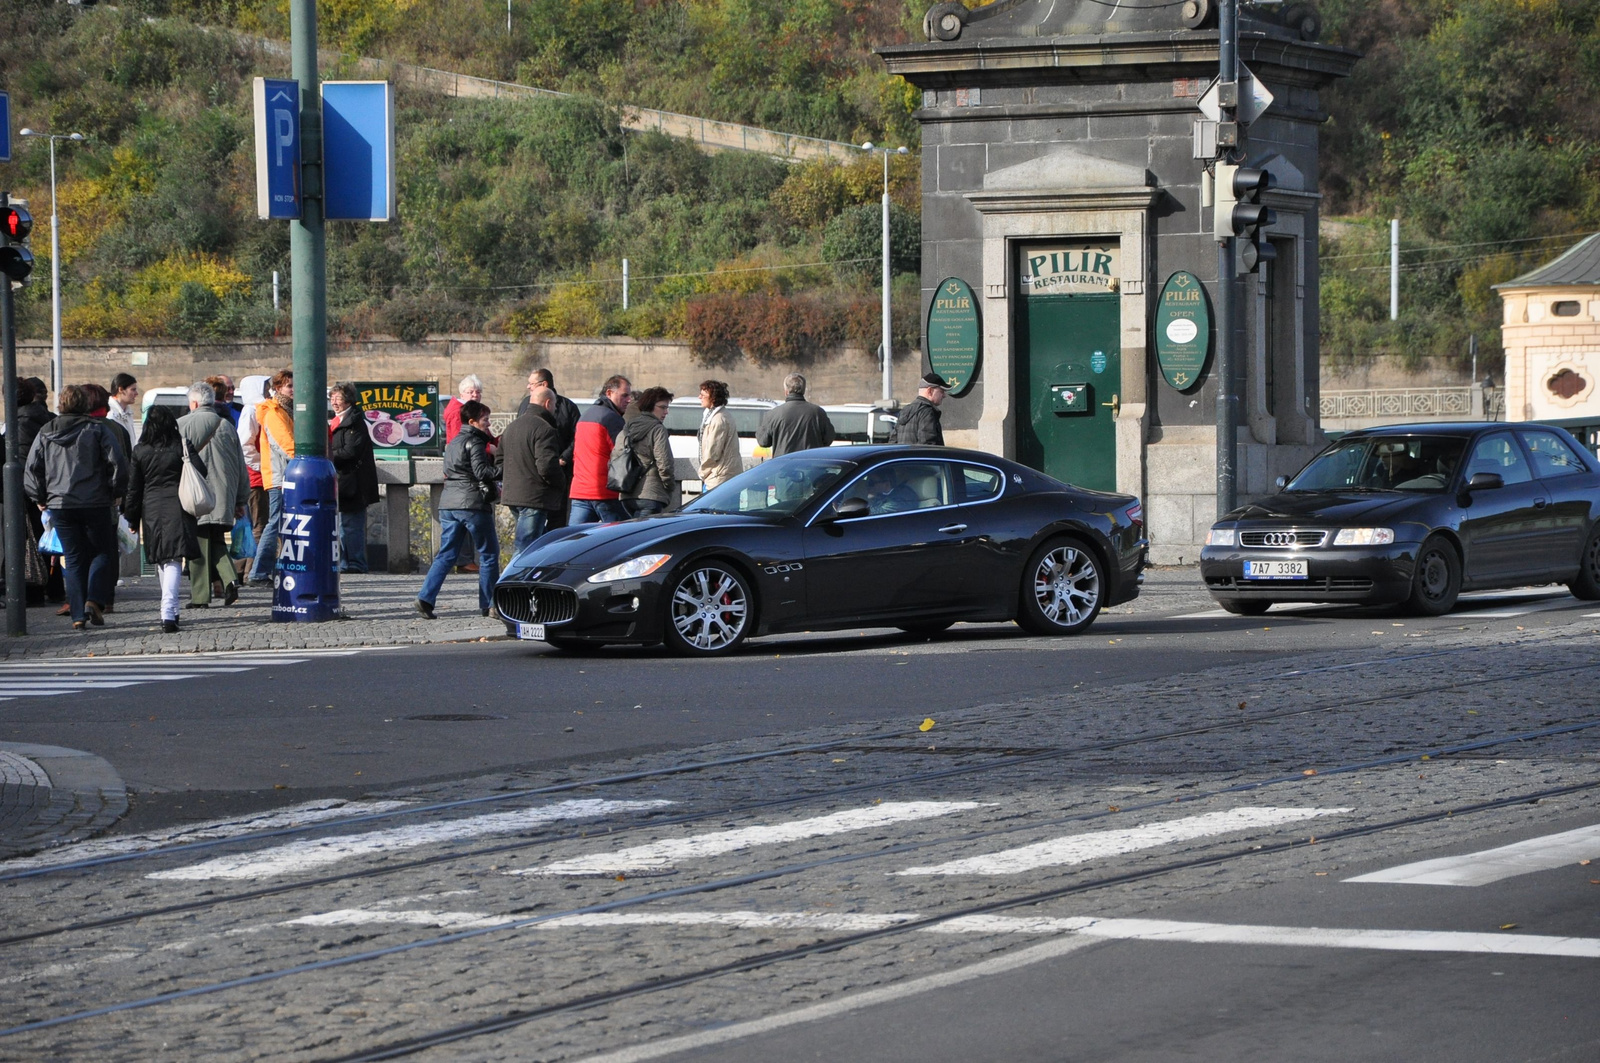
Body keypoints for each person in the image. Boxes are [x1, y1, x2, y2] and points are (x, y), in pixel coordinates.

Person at [23, 384, 128, 629]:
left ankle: (78, 615)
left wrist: (40, 497)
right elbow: (117, 464)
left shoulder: (46, 431)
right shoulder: (96, 429)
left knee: (73, 557)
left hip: (60, 503)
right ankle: (94, 599)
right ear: (85, 405)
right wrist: (115, 492)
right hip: (95, 501)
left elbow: (32, 468)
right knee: (102, 552)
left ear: (61, 405)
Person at [416, 400, 500, 618]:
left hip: (448, 503)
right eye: (485, 420)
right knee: (489, 554)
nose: (488, 424)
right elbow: (482, 472)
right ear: (472, 422)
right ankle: (490, 604)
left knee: (446, 554)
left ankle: (425, 598)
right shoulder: (476, 442)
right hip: (472, 504)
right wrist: (502, 468)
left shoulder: (453, 443)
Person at [125, 405, 202, 633]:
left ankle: (170, 610)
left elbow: (133, 488)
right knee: (174, 558)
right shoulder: (182, 446)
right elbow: (201, 470)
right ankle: (169, 611)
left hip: (151, 508)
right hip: (178, 505)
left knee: (163, 557)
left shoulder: (140, 450)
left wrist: (131, 518)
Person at [178, 380, 248, 607]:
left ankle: (200, 597)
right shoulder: (227, 426)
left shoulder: (182, 424)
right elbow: (240, 464)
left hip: (195, 495)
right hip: (223, 495)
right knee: (216, 539)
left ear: (195, 402)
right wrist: (240, 499)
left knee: (198, 544)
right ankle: (230, 579)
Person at [498, 384, 565, 554]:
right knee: (525, 548)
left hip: (513, 494)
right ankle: (510, 580)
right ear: (548, 403)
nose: (555, 409)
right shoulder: (544, 429)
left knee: (536, 545)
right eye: (555, 404)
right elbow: (547, 466)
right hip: (534, 496)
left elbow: (499, 460)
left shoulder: (512, 427)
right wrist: (561, 483)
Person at [516, 367, 580, 527]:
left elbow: (577, 437)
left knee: (557, 521)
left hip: (560, 472)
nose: (528, 387)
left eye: (531, 383)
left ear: (544, 384)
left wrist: (564, 458)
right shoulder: (526, 405)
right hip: (533, 473)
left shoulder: (568, 407)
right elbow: (521, 434)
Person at [249, 369, 296, 586]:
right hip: (279, 477)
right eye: (289, 386)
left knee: (277, 522)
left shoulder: (285, 410)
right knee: (274, 522)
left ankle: (268, 569)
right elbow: (285, 445)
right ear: (277, 388)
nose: (293, 390)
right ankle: (258, 572)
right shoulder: (275, 412)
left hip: (283, 475)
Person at [328, 382, 380, 573]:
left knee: (351, 526)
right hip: (342, 481)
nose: (334, 402)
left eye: (338, 398)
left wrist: (328, 454)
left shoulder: (355, 421)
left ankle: (355, 564)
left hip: (354, 482)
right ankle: (346, 563)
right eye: (332, 398)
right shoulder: (337, 420)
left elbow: (350, 451)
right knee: (343, 525)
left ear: (349, 400)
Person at [569, 374, 632, 524]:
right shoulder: (611, 418)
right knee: (620, 539)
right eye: (624, 395)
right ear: (609, 393)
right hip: (604, 492)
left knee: (574, 540)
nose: (628, 400)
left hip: (580, 490)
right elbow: (622, 455)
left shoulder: (585, 416)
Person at [620, 388, 677, 516]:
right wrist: (669, 486)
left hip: (626, 494)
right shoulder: (658, 429)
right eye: (662, 407)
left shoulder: (627, 427)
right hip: (650, 494)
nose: (666, 412)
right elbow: (664, 462)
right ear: (650, 405)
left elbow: (616, 454)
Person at [236, 376, 271, 576]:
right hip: (256, 475)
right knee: (259, 524)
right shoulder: (252, 411)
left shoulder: (254, 410)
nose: (268, 392)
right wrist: (260, 464)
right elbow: (245, 444)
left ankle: (241, 569)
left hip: (255, 473)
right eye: (265, 388)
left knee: (250, 525)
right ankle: (253, 570)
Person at [756, 373, 834, 456]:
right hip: (811, 465)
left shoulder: (773, 414)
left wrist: (760, 430)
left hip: (784, 465)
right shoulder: (818, 413)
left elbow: (763, 442)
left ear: (786, 392)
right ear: (803, 391)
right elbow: (828, 439)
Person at [696, 379, 742, 491]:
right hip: (722, 475)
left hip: (719, 477)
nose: (699, 397)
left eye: (703, 395)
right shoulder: (717, 415)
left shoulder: (718, 419)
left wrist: (702, 473)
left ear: (713, 398)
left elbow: (712, 453)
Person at [895, 372, 952, 446]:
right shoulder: (927, 412)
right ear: (930, 391)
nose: (944, 395)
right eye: (941, 391)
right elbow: (928, 446)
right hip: (920, 457)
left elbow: (893, 442)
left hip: (904, 457)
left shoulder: (904, 410)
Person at [443, 374, 484, 444]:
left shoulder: (474, 410)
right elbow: (459, 441)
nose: (475, 395)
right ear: (461, 395)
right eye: (471, 392)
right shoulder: (458, 413)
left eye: (478, 392)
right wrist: (489, 448)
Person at [108, 373, 140, 443]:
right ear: (121, 389)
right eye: (133, 390)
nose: (136, 393)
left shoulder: (128, 413)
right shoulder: (109, 414)